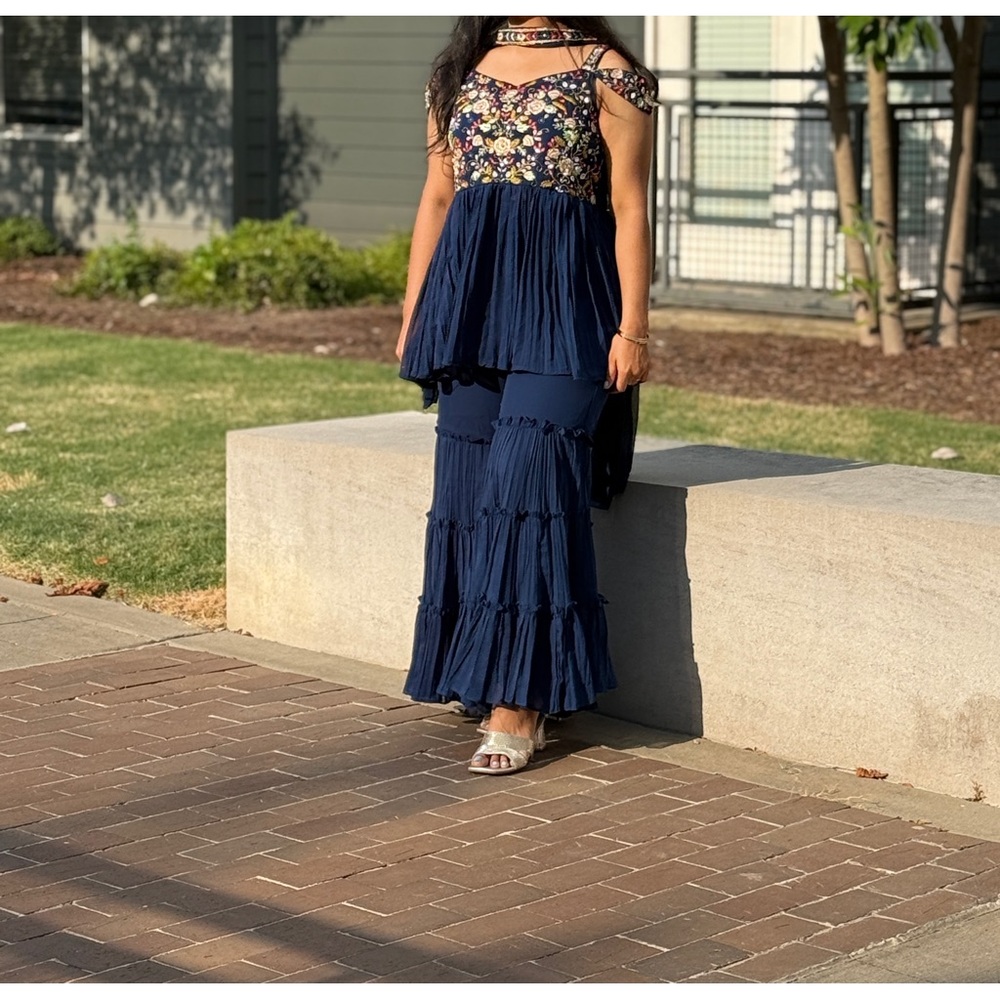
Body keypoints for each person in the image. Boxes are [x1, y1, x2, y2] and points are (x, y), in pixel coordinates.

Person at [396, 16, 656, 775]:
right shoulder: (459, 71)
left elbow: (632, 207)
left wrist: (634, 327)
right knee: (470, 491)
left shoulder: (609, 73)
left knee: (528, 481)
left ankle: (523, 699)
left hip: (569, 311)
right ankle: (479, 671)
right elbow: (438, 199)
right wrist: (415, 311)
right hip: (469, 309)